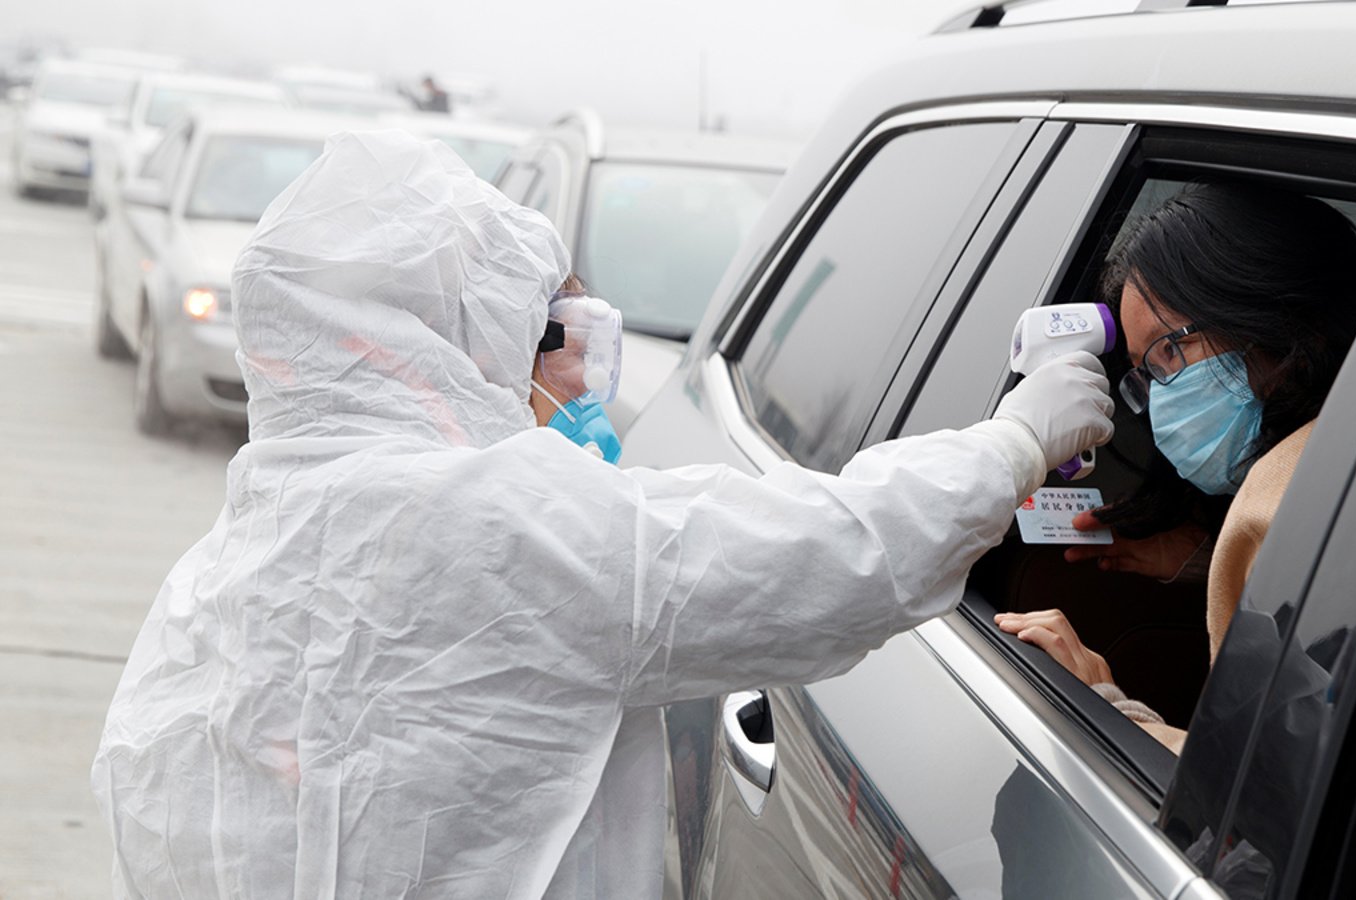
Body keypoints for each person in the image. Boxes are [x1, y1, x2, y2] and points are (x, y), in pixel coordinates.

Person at [89, 131, 1114, 899]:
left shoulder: (225, 563)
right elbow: (832, 555)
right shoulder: (501, 523)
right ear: (453, 337)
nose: (573, 371)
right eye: (547, 332)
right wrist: (1019, 440)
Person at [994, 183, 1356, 752]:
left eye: (1169, 351)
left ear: (1272, 314)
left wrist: (1106, 708)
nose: (1159, 399)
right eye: (1146, 375)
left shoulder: (1296, 500)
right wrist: (1219, 567)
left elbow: (1258, 809)